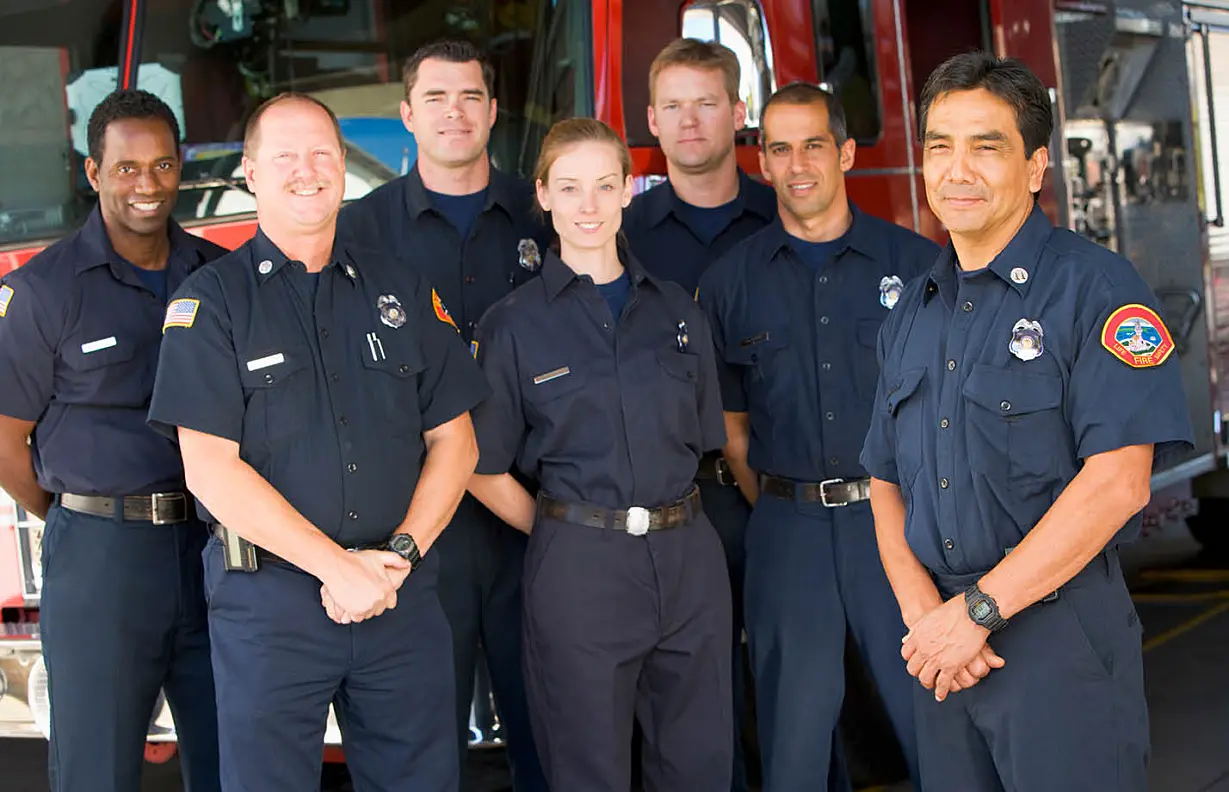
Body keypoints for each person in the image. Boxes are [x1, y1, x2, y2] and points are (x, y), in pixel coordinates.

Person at [859, 52, 1193, 792]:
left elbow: (1117, 484)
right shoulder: (910, 309)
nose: (956, 169)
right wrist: (927, 617)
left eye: (986, 145)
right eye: (939, 145)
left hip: (1053, 637)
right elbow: (882, 482)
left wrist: (977, 611)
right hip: (942, 650)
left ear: (1036, 166)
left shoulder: (1095, 290)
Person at [147, 92, 491, 791]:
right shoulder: (210, 303)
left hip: (400, 598)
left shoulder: (400, 289)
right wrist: (336, 568)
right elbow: (210, 469)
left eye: (321, 154)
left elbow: (456, 442)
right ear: (250, 173)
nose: (306, 171)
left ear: (342, 167)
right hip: (270, 610)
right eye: (284, 157)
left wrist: (397, 556)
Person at [466, 117, 733, 792]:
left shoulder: (676, 312)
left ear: (626, 194)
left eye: (604, 186)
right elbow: (479, 465)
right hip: (578, 569)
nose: (588, 205)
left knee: (698, 762)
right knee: (588, 766)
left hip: (686, 559)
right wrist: (564, 532)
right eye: (570, 187)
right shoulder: (512, 325)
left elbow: (705, 441)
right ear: (544, 196)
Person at [698, 82, 938, 791]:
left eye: (812, 144)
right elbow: (733, 435)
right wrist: (788, 500)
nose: (796, 162)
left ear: (846, 153)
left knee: (932, 715)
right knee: (792, 740)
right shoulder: (729, 283)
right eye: (778, 148)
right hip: (786, 529)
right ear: (761, 162)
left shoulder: (918, 266)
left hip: (898, 525)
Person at [336, 41, 548, 790]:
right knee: (419, 747)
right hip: (414, 528)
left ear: (493, 111)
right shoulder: (358, 229)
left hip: (531, 517)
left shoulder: (544, 212)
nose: (453, 113)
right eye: (435, 98)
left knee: (549, 733)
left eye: (469, 97)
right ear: (406, 115)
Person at [0, 89, 224, 792]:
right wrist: (80, 517)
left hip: (219, 551)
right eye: (126, 168)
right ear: (93, 173)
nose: (147, 185)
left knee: (239, 764)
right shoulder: (45, 291)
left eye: (161, 164)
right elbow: (6, 440)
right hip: (103, 562)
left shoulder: (220, 277)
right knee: (97, 771)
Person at [621, 40, 777, 791]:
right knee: (685, 697)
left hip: (772, 491)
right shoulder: (622, 234)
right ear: (650, 120)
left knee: (787, 681)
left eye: (707, 102)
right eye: (673, 106)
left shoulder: (785, 218)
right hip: (668, 500)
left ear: (738, 114)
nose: (690, 121)